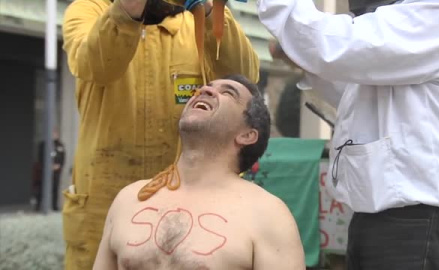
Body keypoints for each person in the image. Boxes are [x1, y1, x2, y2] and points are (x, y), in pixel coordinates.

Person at [256, 0, 439, 269]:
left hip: (420, 222)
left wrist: (292, 24)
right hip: (399, 221)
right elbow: (358, 93)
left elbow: (338, 47)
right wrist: (307, 61)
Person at [62, 0, 259, 268]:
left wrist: (211, 10)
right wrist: (128, 10)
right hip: (102, 208)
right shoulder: (89, 9)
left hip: (192, 209)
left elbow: (244, 79)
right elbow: (96, 65)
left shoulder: (198, 19)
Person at [92, 75, 305, 270]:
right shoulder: (130, 198)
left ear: (247, 135)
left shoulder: (268, 214)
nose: (205, 90)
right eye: (205, 87)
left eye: (228, 92)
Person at [34, 129, 65, 211]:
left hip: (56, 171)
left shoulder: (60, 145)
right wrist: (48, 166)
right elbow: (40, 157)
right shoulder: (43, 144)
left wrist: (58, 166)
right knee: (41, 188)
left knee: (55, 188)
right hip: (44, 171)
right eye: (52, 133)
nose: (54, 135)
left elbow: (62, 158)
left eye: (55, 133)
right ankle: (38, 206)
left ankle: (54, 206)